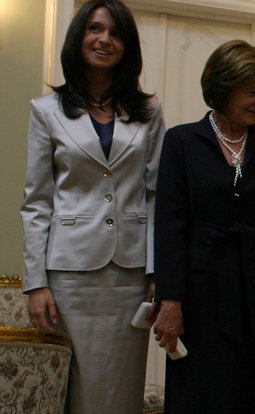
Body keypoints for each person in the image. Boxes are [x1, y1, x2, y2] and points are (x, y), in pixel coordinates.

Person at [20, 0, 164, 411]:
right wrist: (36, 282)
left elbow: (156, 194)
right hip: (68, 274)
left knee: (122, 385)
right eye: (96, 29)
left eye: (116, 33)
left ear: (127, 46)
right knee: (73, 385)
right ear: (79, 36)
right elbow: (36, 202)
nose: (105, 40)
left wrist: (157, 270)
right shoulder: (45, 111)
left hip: (130, 274)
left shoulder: (149, 112)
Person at [153, 40, 255, 413]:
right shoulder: (182, 141)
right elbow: (170, 226)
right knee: (202, 392)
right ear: (223, 86)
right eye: (252, 91)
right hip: (200, 292)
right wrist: (169, 300)